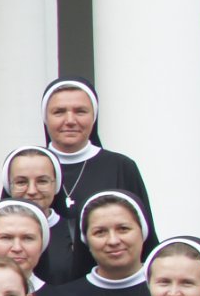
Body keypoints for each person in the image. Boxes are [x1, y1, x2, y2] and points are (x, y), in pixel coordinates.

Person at [41, 79, 156, 237]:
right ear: (45, 118)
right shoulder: (27, 167)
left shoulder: (120, 167)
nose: (70, 121)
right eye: (59, 112)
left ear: (94, 117)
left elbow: (144, 234)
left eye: (80, 111)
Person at [0, 146, 78, 285]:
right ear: (9, 186)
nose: (32, 191)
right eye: (21, 182)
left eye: (42, 181)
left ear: (56, 185)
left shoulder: (76, 233)